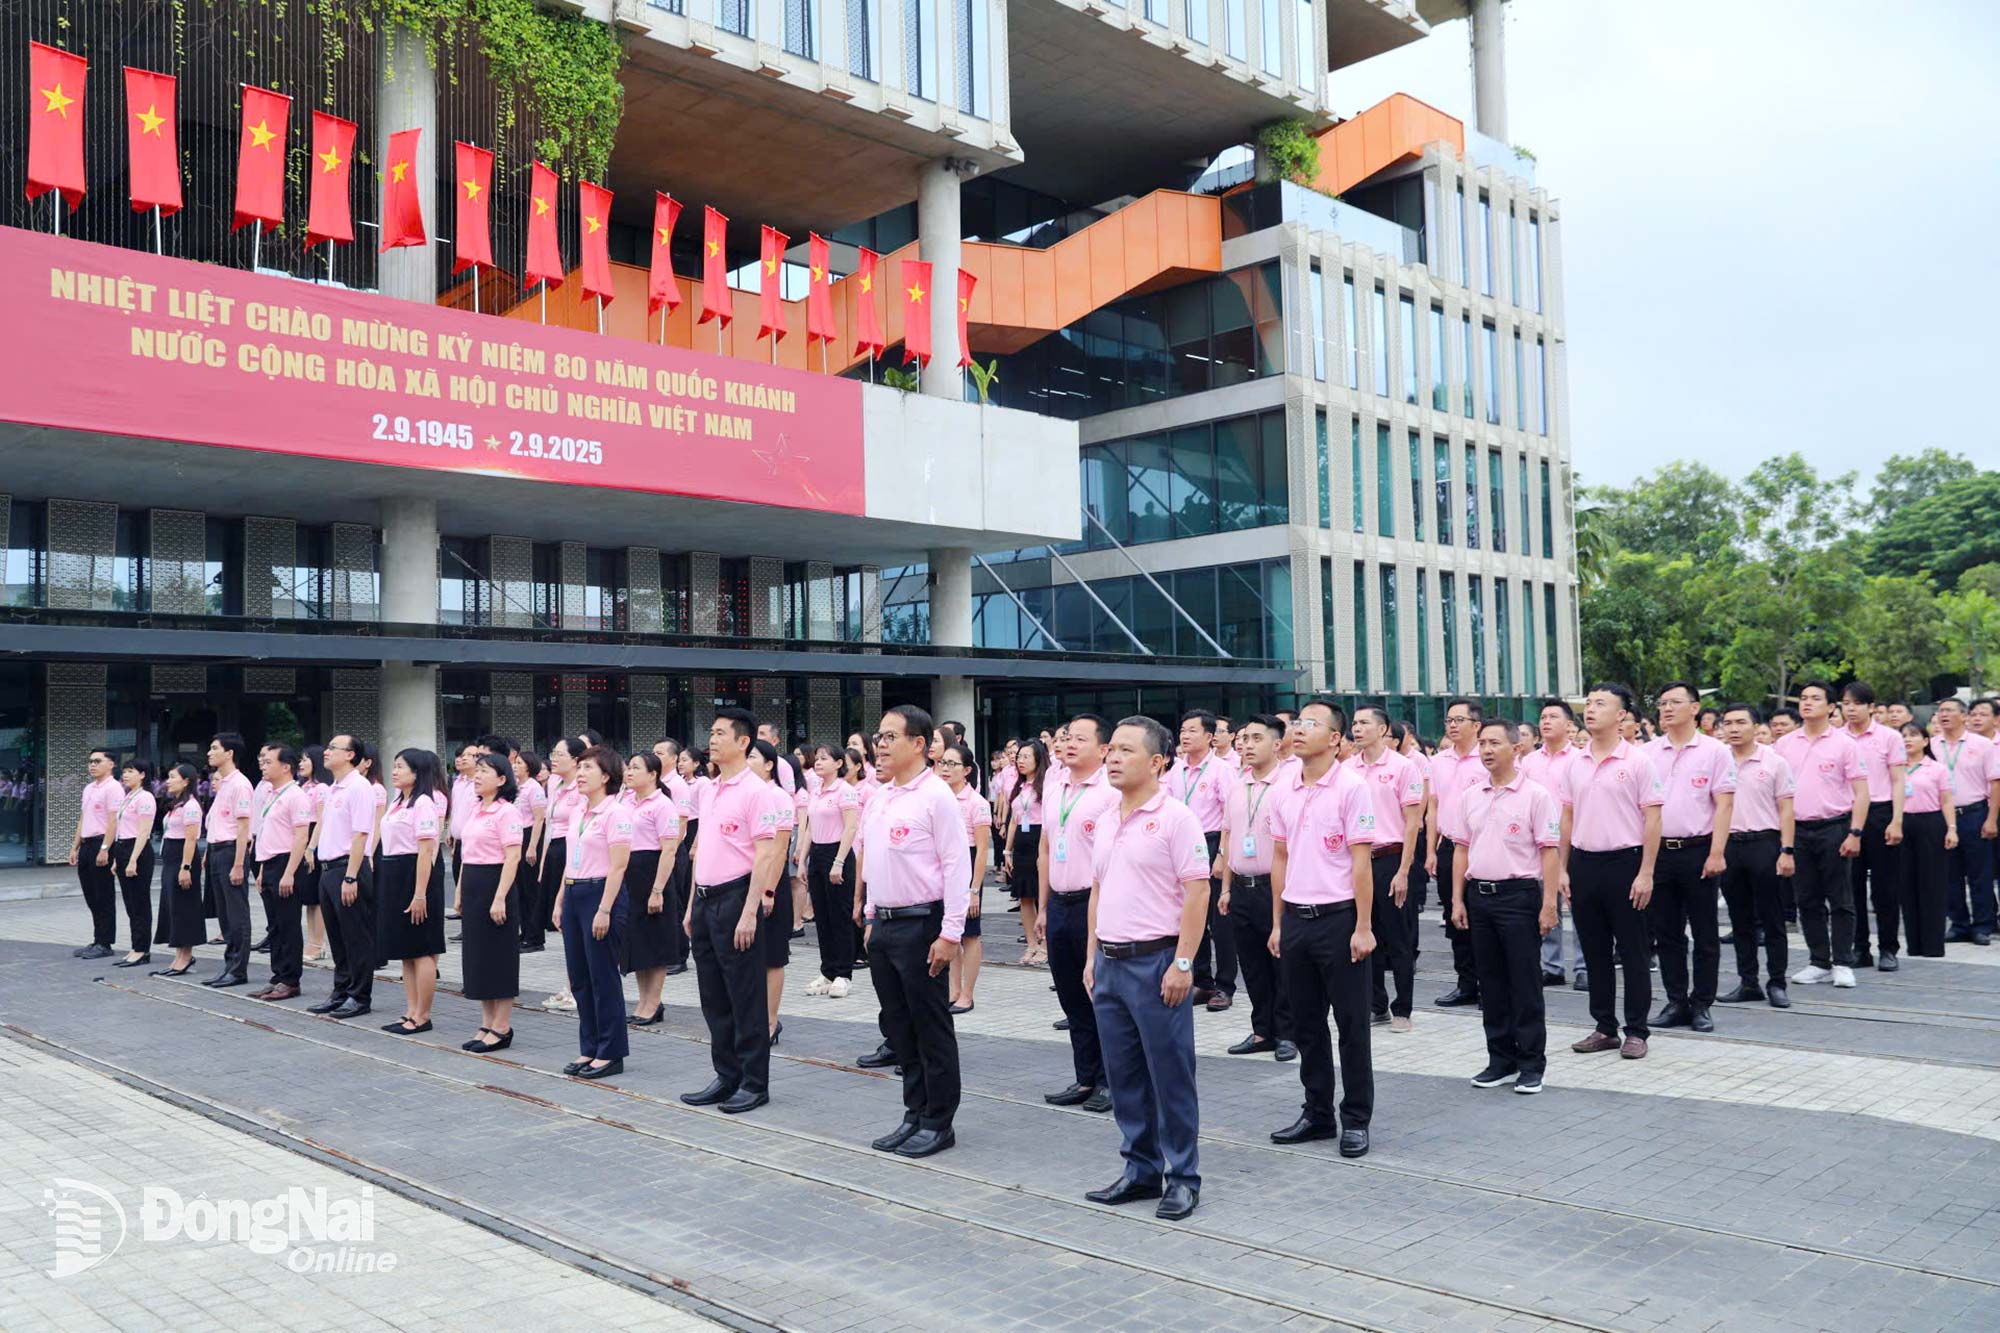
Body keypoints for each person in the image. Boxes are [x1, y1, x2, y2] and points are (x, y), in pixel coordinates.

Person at [1082, 716, 1211, 1221]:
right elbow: (1098, 888)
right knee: (1125, 1076)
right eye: (1110, 749)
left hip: (1157, 964)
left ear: (1157, 762)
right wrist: (1093, 955)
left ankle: (1182, 1177)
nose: (1112, 758)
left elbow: (1197, 890)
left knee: (1170, 1076)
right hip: (1111, 965)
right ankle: (1139, 1170)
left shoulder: (1177, 818)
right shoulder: (1107, 815)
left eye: (1125, 751)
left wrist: (1183, 963)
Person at [854, 706, 971, 1158]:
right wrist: (868, 915)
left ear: (919, 744)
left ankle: (939, 1120)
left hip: (923, 924)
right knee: (899, 1027)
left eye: (889, 736)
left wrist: (950, 933)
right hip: (883, 924)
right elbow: (877, 862)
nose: (880, 744)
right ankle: (915, 1112)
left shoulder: (936, 795)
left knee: (930, 1027)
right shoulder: (881, 795)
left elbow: (956, 866)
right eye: (878, 736)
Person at [1267, 698, 1377, 1155]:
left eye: (1311, 724)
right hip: (1296, 919)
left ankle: (1356, 1118)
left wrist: (1364, 926)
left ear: (1335, 738)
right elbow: (1279, 859)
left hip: (1339, 920)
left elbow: (1361, 863)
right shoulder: (1282, 788)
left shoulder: (1352, 788)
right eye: (1297, 722)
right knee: (1307, 1026)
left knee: (1352, 1025)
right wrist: (1277, 923)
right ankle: (1317, 1113)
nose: (1298, 729)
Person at [682, 709, 786, 1115]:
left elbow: (764, 855)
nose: (712, 739)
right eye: (711, 732)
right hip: (706, 899)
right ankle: (726, 1076)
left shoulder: (756, 791)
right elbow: (701, 851)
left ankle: (754, 1082)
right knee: (714, 996)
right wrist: (692, 903)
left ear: (743, 742)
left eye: (721, 733)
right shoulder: (707, 790)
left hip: (736, 897)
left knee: (745, 996)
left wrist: (749, 913)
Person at [1456, 719, 1563, 1093]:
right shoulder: (1472, 794)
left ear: (1516, 749)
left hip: (1519, 897)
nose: (1486, 750)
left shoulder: (1536, 795)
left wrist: (1549, 904)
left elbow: (1549, 852)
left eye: (1494, 743)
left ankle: (1532, 1063)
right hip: (1479, 897)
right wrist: (1457, 898)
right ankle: (1500, 1059)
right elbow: (1461, 848)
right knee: (1491, 983)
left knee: (1525, 983)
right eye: (1482, 743)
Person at [1560, 683, 1665, 1059]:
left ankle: (1637, 1030)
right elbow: (1567, 816)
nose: (1591, 709)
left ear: (1621, 715)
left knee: (1634, 952)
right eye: (1589, 703)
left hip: (1626, 862)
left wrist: (1646, 872)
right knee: (1595, 951)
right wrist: (1563, 869)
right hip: (1584, 863)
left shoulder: (1637, 761)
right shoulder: (1575, 760)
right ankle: (1605, 1027)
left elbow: (1653, 818)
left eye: (1601, 704)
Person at [1644, 682, 1737, 1033]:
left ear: (1695, 708)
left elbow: (1725, 804)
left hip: (1699, 851)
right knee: (1666, 932)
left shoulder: (1715, 751)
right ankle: (1675, 1001)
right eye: (1662, 702)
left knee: (1705, 933)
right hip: (1659, 852)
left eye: (1675, 703)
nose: (1666, 709)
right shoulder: (1648, 752)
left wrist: (1717, 852)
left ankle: (1702, 1004)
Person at [1038, 714, 1119, 1111]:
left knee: (1099, 996)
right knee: (1071, 997)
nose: (1069, 743)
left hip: (1095, 902)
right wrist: (1042, 907)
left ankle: (1111, 1080)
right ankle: (1085, 1077)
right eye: (1066, 736)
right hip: (1060, 902)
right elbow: (1046, 849)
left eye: (1080, 739)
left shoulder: (1109, 793)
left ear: (1104, 750)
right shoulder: (1056, 789)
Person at [1773, 682, 1872, 987]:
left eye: (1816, 699)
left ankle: (1843, 961)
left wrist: (1855, 832)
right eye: (1803, 698)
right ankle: (1819, 960)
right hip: (1796, 830)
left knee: (1840, 897)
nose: (1807, 703)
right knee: (1807, 898)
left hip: (1834, 826)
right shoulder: (1785, 744)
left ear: (1831, 707)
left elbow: (1862, 792)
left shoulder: (1845, 744)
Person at [1217, 715, 1298, 1060]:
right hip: (1241, 887)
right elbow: (1229, 835)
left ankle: (1289, 1033)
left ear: (1277, 744)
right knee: (1251, 964)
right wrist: (1225, 887)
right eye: (1244, 738)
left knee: (1283, 963)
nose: (1247, 745)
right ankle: (1262, 1029)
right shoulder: (1238, 785)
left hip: (1276, 886)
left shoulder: (1291, 784)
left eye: (1256, 738)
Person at [553, 745, 634, 1079]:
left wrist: (604, 910)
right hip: (574, 891)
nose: (581, 773)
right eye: (580, 767)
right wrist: (560, 900)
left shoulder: (616, 813)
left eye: (588, 768)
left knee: (603, 976)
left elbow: (619, 867)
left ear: (607, 775)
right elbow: (570, 859)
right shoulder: (579, 812)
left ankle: (611, 1052)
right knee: (580, 978)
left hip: (601, 894)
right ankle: (590, 1047)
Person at [1345, 707, 1424, 1032]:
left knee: (1399, 939)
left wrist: (1404, 870)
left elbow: (1412, 823)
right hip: (1357, 862)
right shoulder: (1347, 769)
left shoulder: (1403, 767)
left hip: (1391, 859)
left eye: (1364, 723)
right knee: (1364, 932)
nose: (1357, 729)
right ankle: (1375, 1004)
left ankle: (1402, 1008)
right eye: (1354, 724)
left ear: (1383, 729)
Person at [1716, 705, 1796, 1008]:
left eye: (1741, 722)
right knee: (1740, 919)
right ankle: (1748, 981)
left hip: (1765, 842)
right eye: (1728, 723)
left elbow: (1786, 810)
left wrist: (1786, 850)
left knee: (1773, 918)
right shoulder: (1717, 761)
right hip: (1729, 845)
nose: (1734, 728)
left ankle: (1777, 981)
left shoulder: (1774, 762)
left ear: (1755, 726)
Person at [376, 749, 447, 1035]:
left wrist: (420, 893)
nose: (395, 772)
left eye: (401, 767)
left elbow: (426, 850)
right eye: (394, 766)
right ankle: (410, 1010)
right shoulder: (397, 802)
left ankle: (423, 1015)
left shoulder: (424, 803)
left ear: (417, 773)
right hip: (393, 872)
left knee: (422, 948)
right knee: (405, 950)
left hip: (414, 874)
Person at [458, 754, 525, 1051]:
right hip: (472, 883)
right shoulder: (475, 809)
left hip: (496, 885)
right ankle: (486, 1022)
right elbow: (465, 854)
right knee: (478, 958)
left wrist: (499, 898)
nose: (478, 775)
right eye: (478, 770)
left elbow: (512, 857)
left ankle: (502, 1026)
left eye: (485, 771)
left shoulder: (507, 812)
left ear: (501, 779)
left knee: (499, 957)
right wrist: (459, 890)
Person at [1172, 711, 1237, 1012]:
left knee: (1219, 920)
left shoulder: (1221, 770)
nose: (1185, 736)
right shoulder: (1175, 771)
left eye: (1192, 731)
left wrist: (1223, 854)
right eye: (1183, 730)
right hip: (1182, 843)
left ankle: (1225, 986)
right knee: (1190, 914)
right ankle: (1202, 981)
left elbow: (1231, 816)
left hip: (1212, 841)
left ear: (1209, 737)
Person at [1841, 682, 1907, 970]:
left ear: (1871, 707)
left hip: (1880, 813)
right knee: (1850, 886)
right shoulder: (1836, 738)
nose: (1851, 709)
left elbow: (1898, 780)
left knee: (1885, 887)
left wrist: (1896, 819)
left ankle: (1888, 948)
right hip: (1846, 814)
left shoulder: (1889, 737)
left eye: (1857, 704)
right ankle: (1859, 948)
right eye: (1846, 704)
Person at [312, 735, 378, 1016]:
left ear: (351, 755)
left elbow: (361, 833)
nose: (326, 752)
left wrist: (351, 877)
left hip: (347, 868)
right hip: (328, 870)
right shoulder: (333, 789)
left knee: (356, 936)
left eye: (333, 748)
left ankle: (359, 996)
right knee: (337, 937)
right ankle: (341, 990)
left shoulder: (359, 787)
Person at [1426, 700, 1487, 1007]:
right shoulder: (1438, 761)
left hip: (1483, 848)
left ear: (1476, 725)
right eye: (1448, 720)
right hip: (1450, 847)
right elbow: (1433, 807)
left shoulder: (1486, 758)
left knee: (1482, 917)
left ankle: (1490, 985)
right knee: (1456, 918)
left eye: (1459, 720)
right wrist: (1431, 850)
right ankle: (1466, 984)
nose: (1451, 725)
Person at [1522, 700, 1583, 991]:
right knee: (1547, 903)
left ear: (1569, 725)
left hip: (1575, 840)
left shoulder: (1581, 759)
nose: (1545, 722)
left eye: (1553, 717)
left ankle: (1585, 966)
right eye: (1543, 717)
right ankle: (1552, 965)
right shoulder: (1529, 761)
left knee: (1578, 904)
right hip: (1539, 843)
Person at [621, 752, 686, 1026]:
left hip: (653, 874)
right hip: (629, 873)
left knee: (655, 942)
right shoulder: (625, 801)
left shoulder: (662, 805)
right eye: (629, 767)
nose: (629, 772)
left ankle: (654, 1003)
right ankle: (642, 1001)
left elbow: (669, 849)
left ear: (653, 774)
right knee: (637, 943)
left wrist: (658, 889)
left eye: (636, 768)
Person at [1930, 698, 1998, 945]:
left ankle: (1982, 925)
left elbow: (1995, 782)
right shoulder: (1932, 745)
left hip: (1974, 813)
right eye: (1940, 711)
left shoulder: (1982, 745)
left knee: (1980, 873)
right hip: (1942, 816)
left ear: (1964, 716)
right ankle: (1958, 924)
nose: (1943, 715)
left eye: (1949, 711)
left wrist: (1991, 819)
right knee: (1949, 873)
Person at [797, 744, 861, 1000]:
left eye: (825, 758)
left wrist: (838, 862)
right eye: (818, 758)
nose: (819, 762)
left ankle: (844, 973)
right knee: (822, 917)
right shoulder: (816, 790)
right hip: (818, 855)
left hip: (839, 853)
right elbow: (811, 828)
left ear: (838, 763)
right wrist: (802, 860)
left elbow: (850, 828)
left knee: (839, 916)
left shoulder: (844, 791)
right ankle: (828, 970)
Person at [250, 744, 312, 1003]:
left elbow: (301, 837)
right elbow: (267, 834)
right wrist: (263, 869)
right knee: (275, 925)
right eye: (262, 762)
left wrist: (289, 873)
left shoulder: (296, 795)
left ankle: (290, 979)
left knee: (288, 924)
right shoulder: (272, 794)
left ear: (285, 767)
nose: (263, 766)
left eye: (268, 762)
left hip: (288, 863)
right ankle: (277, 976)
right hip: (270, 863)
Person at [746, 739, 798, 1041]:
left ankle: (769, 1021)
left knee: (772, 957)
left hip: (770, 883)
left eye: (753, 757)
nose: (747, 761)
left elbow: (778, 850)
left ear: (769, 765)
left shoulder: (778, 797)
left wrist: (768, 891)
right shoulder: (744, 794)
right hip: (746, 881)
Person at [938, 741, 992, 1014]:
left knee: (970, 934)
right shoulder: (938, 797)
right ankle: (952, 989)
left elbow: (982, 849)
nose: (945, 769)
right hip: (946, 865)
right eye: (942, 763)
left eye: (952, 764)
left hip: (968, 865)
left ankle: (967, 994)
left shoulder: (977, 803)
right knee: (951, 933)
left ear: (967, 770)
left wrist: (974, 890)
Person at [200, 734, 256, 988]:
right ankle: (228, 966)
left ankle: (238, 970)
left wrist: (238, 863)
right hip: (215, 851)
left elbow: (244, 827)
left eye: (214, 748)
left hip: (231, 851)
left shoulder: (240, 784)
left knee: (237, 914)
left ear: (229, 753)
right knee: (224, 914)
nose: (209, 753)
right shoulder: (222, 784)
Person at [1899, 721, 1955, 958]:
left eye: (1913, 735)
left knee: (1932, 884)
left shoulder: (1937, 768)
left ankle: (1933, 945)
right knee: (1906, 884)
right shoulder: (1894, 768)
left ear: (1925, 741)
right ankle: (1914, 944)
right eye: (1903, 736)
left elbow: (1946, 800)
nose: (1908, 740)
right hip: (1901, 824)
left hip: (1931, 824)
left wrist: (1951, 828)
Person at [149, 764, 204, 977]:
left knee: (184, 908)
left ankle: (186, 956)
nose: (168, 781)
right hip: (171, 858)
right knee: (173, 907)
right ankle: (179, 955)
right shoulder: (177, 804)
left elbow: (191, 839)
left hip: (183, 858)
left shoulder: (191, 806)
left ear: (186, 781)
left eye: (172, 777)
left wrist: (186, 867)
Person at [68, 748, 122, 960]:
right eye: (90, 761)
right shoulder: (89, 788)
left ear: (111, 764)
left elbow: (113, 821)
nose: (92, 765)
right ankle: (97, 939)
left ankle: (106, 942)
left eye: (98, 761)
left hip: (102, 843)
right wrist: (75, 847)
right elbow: (83, 819)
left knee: (104, 895)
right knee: (91, 895)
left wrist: (105, 849)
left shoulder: (114, 788)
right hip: (87, 844)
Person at [105, 758, 159, 969]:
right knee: (130, 903)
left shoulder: (145, 798)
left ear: (143, 774)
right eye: (124, 771)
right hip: (123, 848)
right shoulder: (129, 797)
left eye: (130, 771)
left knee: (139, 903)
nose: (125, 775)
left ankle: (142, 949)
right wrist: (118, 859)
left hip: (138, 850)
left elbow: (144, 832)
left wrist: (133, 859)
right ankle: (135, 946)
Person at [1008, 740, 1050, 965]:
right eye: (1019, 757)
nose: (1020, 761)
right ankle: (1032, 944)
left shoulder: (1046, 787)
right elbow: (1014, 821)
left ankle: (1045, 946)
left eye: (1025, 756)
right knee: (1025, 896)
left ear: (1038, 759)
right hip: (1021, 845)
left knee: (1043, 895)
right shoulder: (1019, 787)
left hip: (1040, 840)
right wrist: (1007, 851)